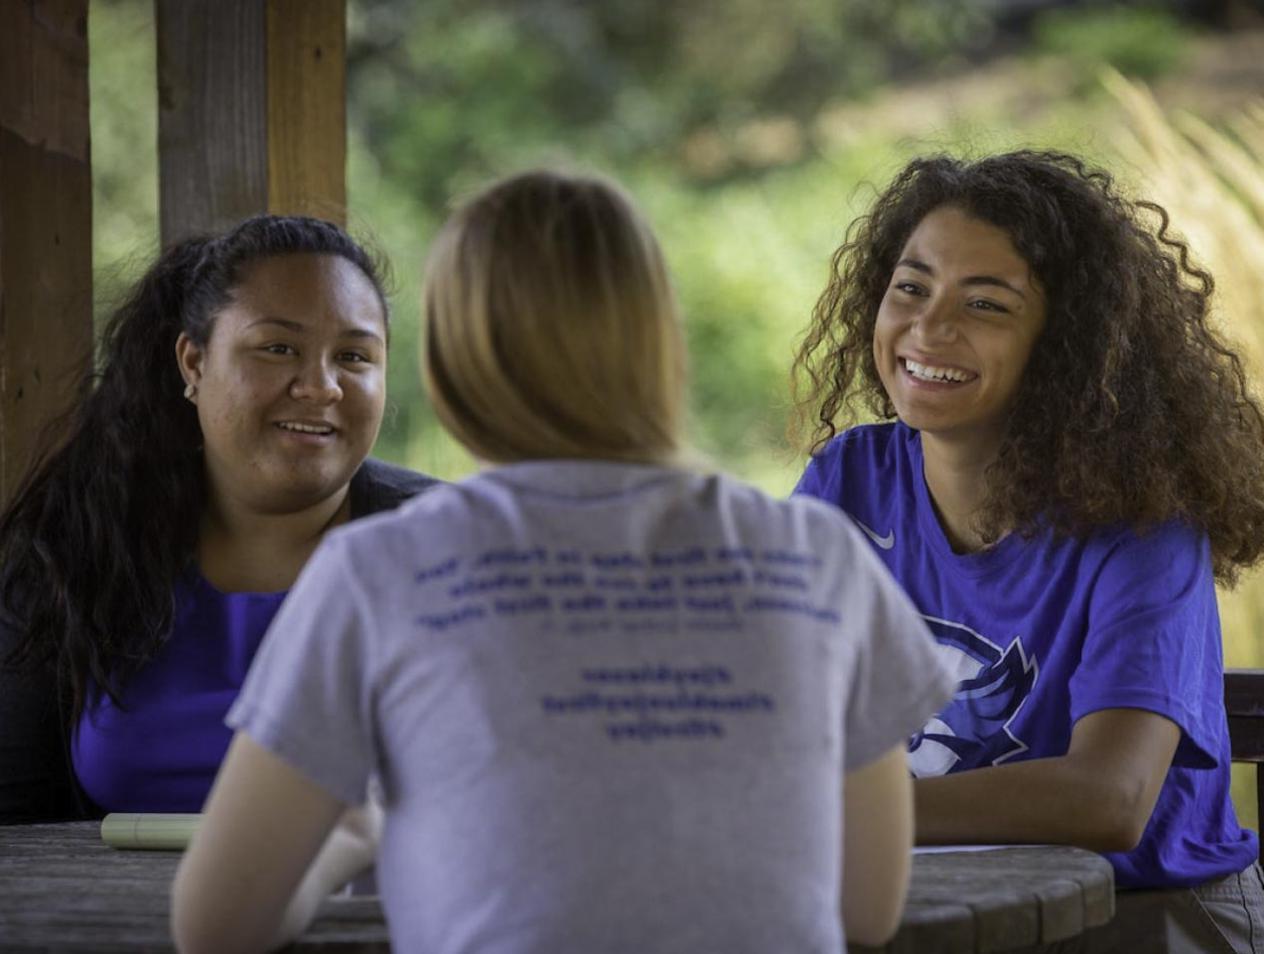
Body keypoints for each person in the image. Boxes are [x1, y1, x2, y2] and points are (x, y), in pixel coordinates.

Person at [170, 170, 956, 953]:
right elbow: (866, 911)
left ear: (452, 352)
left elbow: (217, 925)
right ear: (658, 335)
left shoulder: (381, 570)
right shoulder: (820, 558)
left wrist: (351, 837)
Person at [792, 149, 1264, 952]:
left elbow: (1108, 800)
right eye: (911, 287)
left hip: (1144, 913)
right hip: (934, 895)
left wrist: (827, 807)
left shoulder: (1140, 525)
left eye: (986, 304)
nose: (929, 327)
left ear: (1066, 346)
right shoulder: (851, 481)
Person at [0, 214, 437, 823]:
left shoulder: (448, 546)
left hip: (366, 917)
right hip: (93, 913)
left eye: (355, 357)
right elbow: (13, 826)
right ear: (194, 363)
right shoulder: (73, 542)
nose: (321, 386)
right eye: (278, 348)